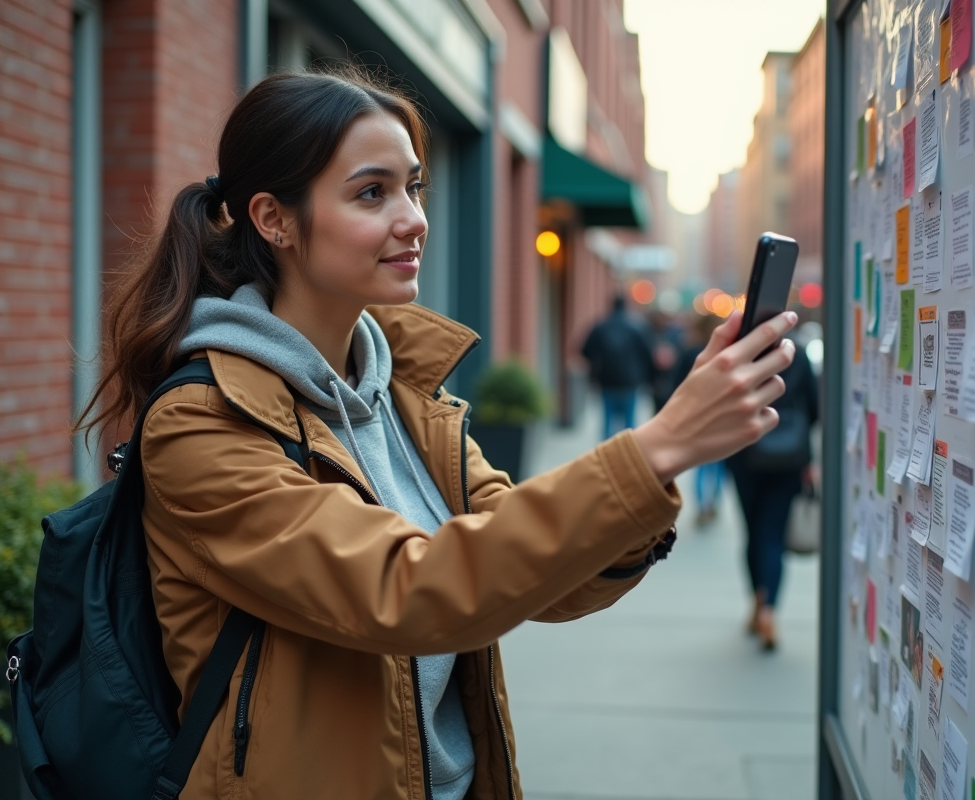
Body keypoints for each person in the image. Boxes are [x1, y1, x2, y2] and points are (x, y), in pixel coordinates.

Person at [78, 68, 799, 800]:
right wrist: (659, 445)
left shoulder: (402, 394)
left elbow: (536, 577)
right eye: (372, 192)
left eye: (413, 187)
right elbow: (411, 589)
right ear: (274, 219)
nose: (414, 218)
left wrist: (664, 464)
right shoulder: (200, 422)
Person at [726, 331, 819, 650]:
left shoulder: (739, 350)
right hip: (788, 458)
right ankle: (769, 610)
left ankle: (757, 599)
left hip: (745, 454)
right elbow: (815, 407)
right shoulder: (798, 352)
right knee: (773, 535)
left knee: (753, 532)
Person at [673, 313, 727, 526]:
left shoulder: (691, 352)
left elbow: (678, 384)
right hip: (722, 414)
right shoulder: (726, 352)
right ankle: (714, 502)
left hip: (698, 414)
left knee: (701, 465)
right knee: (719, 465)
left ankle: (702, 505)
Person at [581, 295, 655, 439]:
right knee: (629, 424)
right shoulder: (636, 327)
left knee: (607, 422)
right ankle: (628, 457)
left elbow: (585, 351)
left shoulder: (601, 326)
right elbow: (648, 353)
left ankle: (605, 457)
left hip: (607, 380)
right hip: (630, 381)